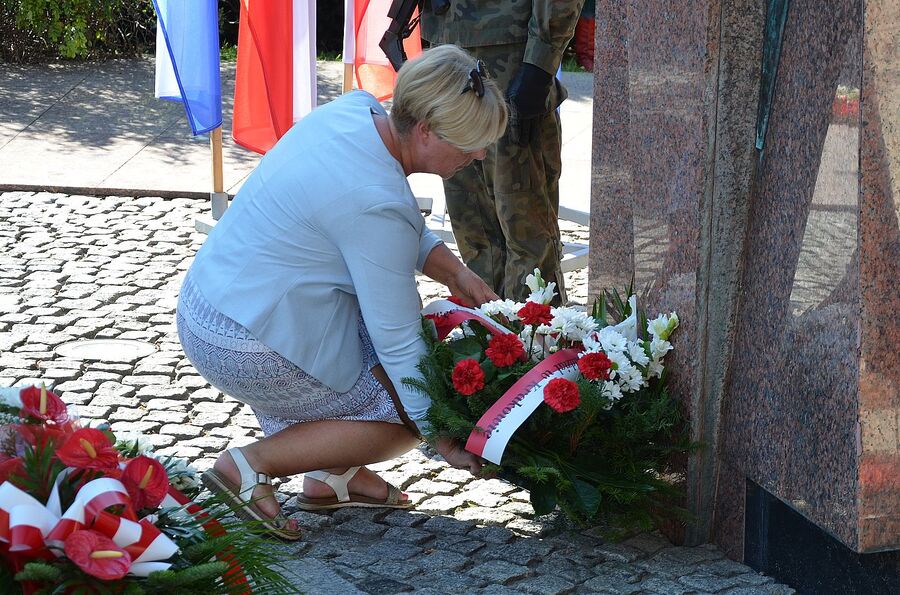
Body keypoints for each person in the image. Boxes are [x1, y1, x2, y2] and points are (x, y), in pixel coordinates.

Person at [175, 45, 508, 539]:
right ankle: (247, 467)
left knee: (393, 374)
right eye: (470, 144)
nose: (479, 156)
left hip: (210, 303)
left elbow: (387, 220)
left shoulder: (357, 111)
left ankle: (332, 474)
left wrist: (454, 273)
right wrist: (442, 434)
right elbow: (397, 340)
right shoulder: (378, 205)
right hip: (245, 340)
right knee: (407, 410)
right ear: (426, 131)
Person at [420, 0, 586, 306]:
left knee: (527, 236)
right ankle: (488, 341)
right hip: (447, 48)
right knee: (474, 235)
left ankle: (536, 346)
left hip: (512, 54)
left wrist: (540, 61)